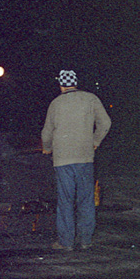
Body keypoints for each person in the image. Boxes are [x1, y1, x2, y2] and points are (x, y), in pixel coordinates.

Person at [41, 70, 111, 252]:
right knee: (86, 199)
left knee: (65, 200)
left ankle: (66, 242)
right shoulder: (91, 99)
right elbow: (106, 123)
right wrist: (95, 142)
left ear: (61, 85)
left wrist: (47, 147)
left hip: (63, 159)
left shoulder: (56, 103)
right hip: (85, 157)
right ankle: (86, 239)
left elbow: (46, 132)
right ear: (75, 83)